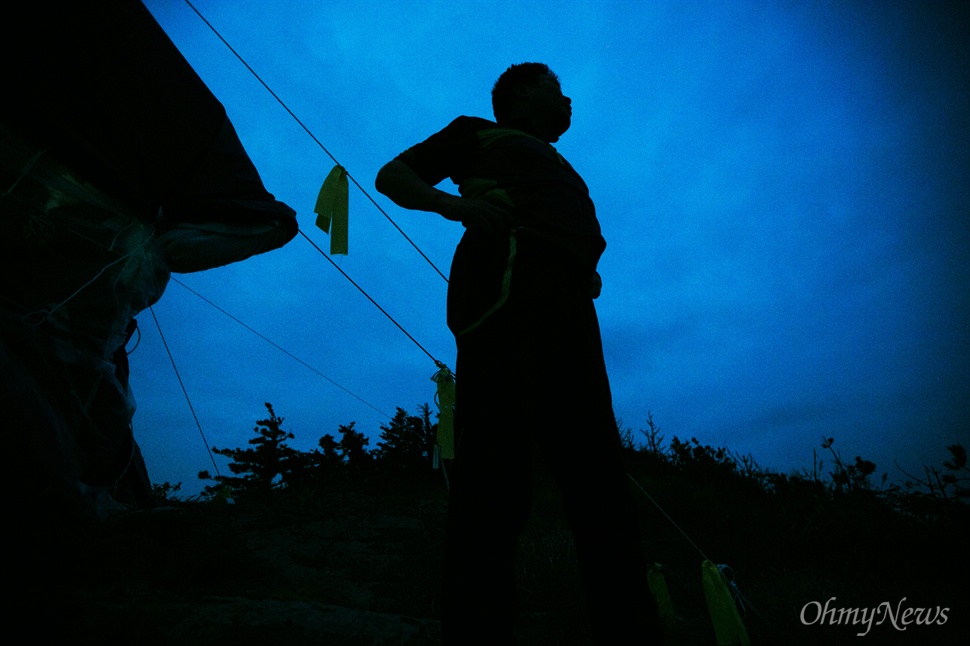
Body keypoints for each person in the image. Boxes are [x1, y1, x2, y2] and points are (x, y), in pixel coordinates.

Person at [375, 62, 662, 645]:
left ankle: (628, 628)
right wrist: (456, 208)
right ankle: (479, 630)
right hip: (507, 293)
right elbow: (392, 175)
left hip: (572, 311)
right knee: (494, 475)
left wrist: (584, 267)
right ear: (522, 93)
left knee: (599, 478)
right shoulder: (478, 132)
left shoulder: (561, 164)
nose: (569, 99)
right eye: (557, 88)